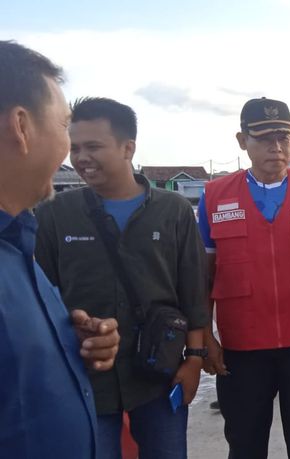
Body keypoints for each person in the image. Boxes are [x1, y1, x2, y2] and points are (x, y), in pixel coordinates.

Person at [35, 97, 209, 459]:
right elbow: (42, 296)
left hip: (159, 374)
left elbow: (193, 292)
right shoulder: (55, 214)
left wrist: (193, 359)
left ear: (128, 147)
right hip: (83, 378)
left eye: (93, 147)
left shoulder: (172, 211)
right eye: (75, 148)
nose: (81, 158)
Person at [198, 97, 290, 458]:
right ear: (241, 140)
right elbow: (204, 276)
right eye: (263, 138)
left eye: (284, 137)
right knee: (245, 445)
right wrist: (205, 339)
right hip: (243, 348)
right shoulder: (214, 196)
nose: (276, 148)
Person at [0, 39, 120, 459]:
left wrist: (67, 346)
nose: (72, 148)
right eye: (65, 124)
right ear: (21, 125)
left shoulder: (17, 243)